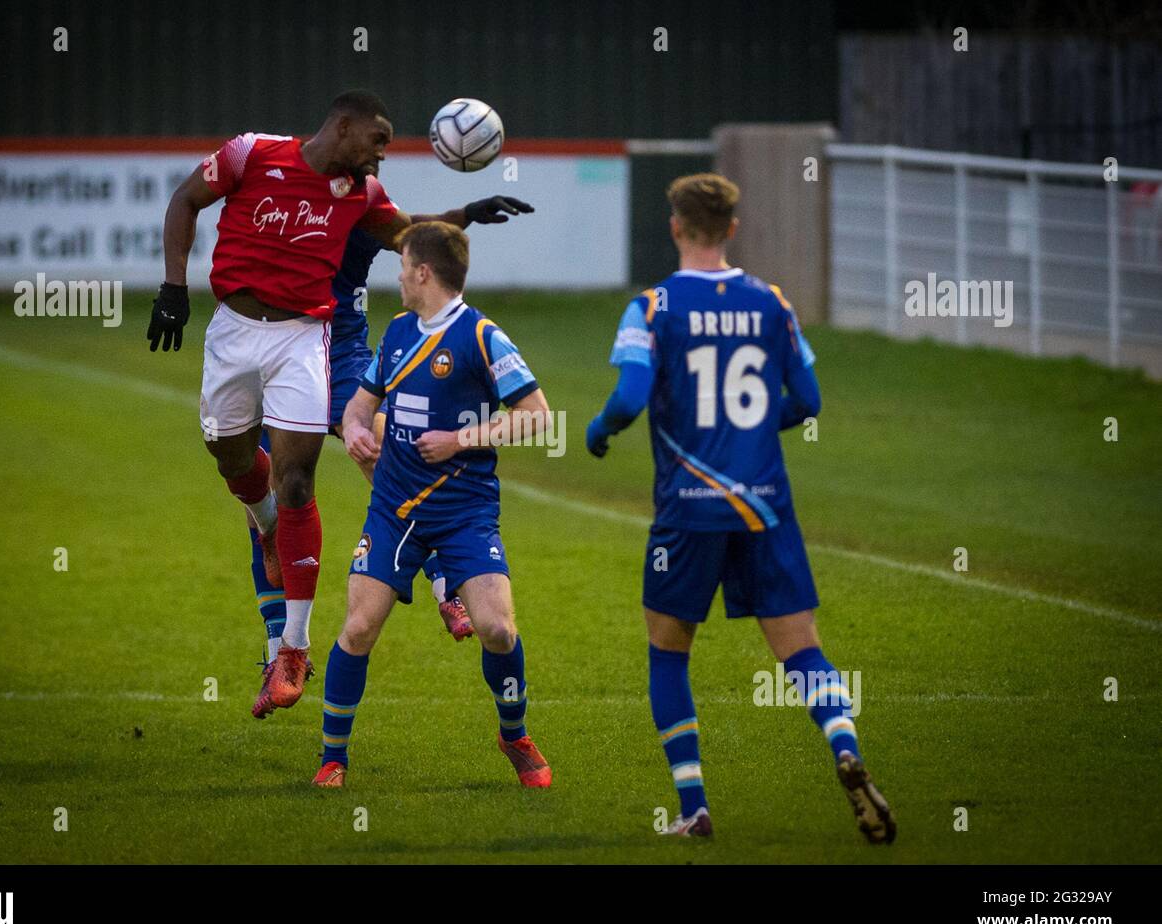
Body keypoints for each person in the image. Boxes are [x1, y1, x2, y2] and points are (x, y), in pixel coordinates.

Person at [147, 90, 530, 718]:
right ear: (344, 127)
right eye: (378, 140)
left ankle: (408, 595)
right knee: (241, 468)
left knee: (356, 456)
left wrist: (467, 213)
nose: (383, 154)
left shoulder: (362, 196)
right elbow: (187, 198)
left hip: (322, 343)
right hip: (236, 335)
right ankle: (272, 566)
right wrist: (172, 286)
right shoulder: (255, 155)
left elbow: (413, 234)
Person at [585, 173, 896, 842]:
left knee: (668, 652)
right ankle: (842, 738)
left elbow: (631, 396)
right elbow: (809, 399)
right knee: (801, 649)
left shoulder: (653, 306)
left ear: (674, 226)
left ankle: (694, 806)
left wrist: (602, 429)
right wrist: (755, 430)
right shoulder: (771, 303)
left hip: (687, 512)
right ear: (732, 228)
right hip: (766, 508)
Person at [312, 222, 552, 789]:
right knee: (359, 627)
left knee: (497, 629)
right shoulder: (396, 332)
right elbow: (361, 402)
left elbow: (538, 414)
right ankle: (332, 758)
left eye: (402, 267)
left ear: (424, 272)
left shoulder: (483, 336)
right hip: (394, 509)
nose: (396, 277)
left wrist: (460, 440)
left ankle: (513, 734)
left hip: (466, 512)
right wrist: (352, 430)